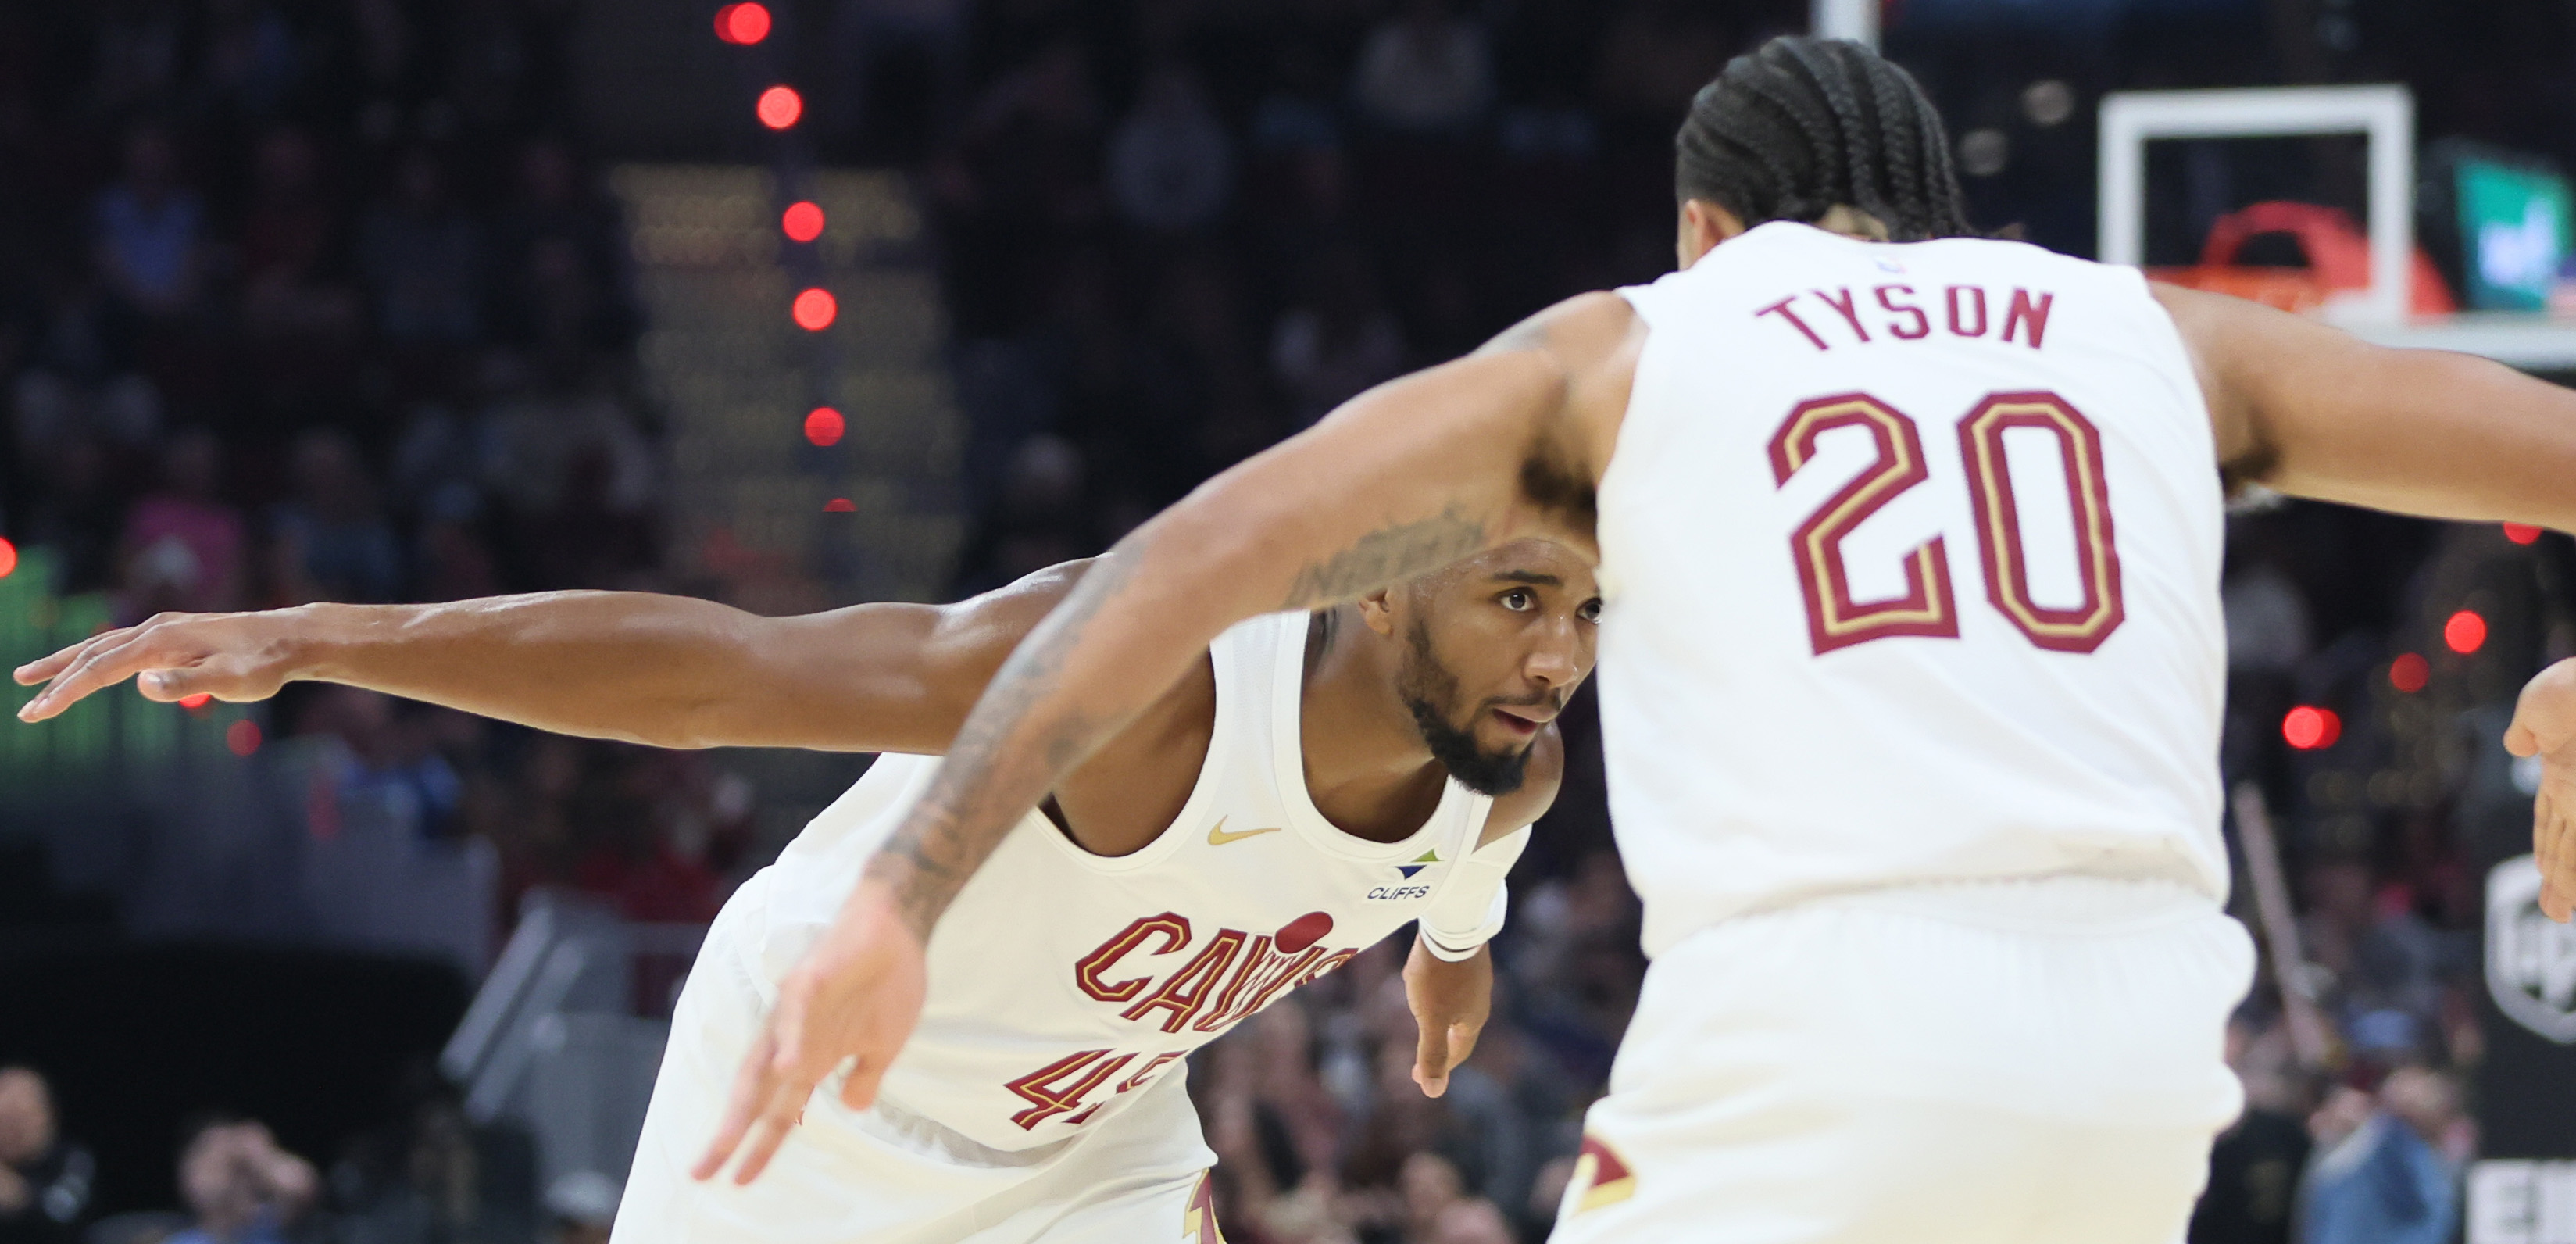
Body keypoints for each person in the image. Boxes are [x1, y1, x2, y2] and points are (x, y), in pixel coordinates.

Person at [681, 34, 2576, 1244]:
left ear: (1704, 223)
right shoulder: (2162, 332)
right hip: (2154, 1049)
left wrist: (905, 887)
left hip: (1826, 1032)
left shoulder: (1638, 346)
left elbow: (1189, 559)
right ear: (1942, 216)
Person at [13, 540, 1602, 1242]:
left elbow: (1466, 875)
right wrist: (317, 636)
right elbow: (727, 675)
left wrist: (1448, 964)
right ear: (1385, 585)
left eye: (1590, 608)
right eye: (1516, 599)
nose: (1556, 654)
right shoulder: (1138, 676)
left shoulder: (1505, 764)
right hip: (807, 1105)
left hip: (1084, 1154)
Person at [165, 1119, 316, 1244]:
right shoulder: (183, 1241)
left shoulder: (273, 1224)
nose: (227, 1179)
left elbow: (301, 1187)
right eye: (213, 1165)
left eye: (233, 1168)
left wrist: (262, 1156)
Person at [0, 1068, 93, 1244]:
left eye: (20, 1119)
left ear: (47, 1116)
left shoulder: (72, 1159)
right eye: (3, 1120)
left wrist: (18, 1196)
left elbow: (63, 1213)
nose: (11, 1132)